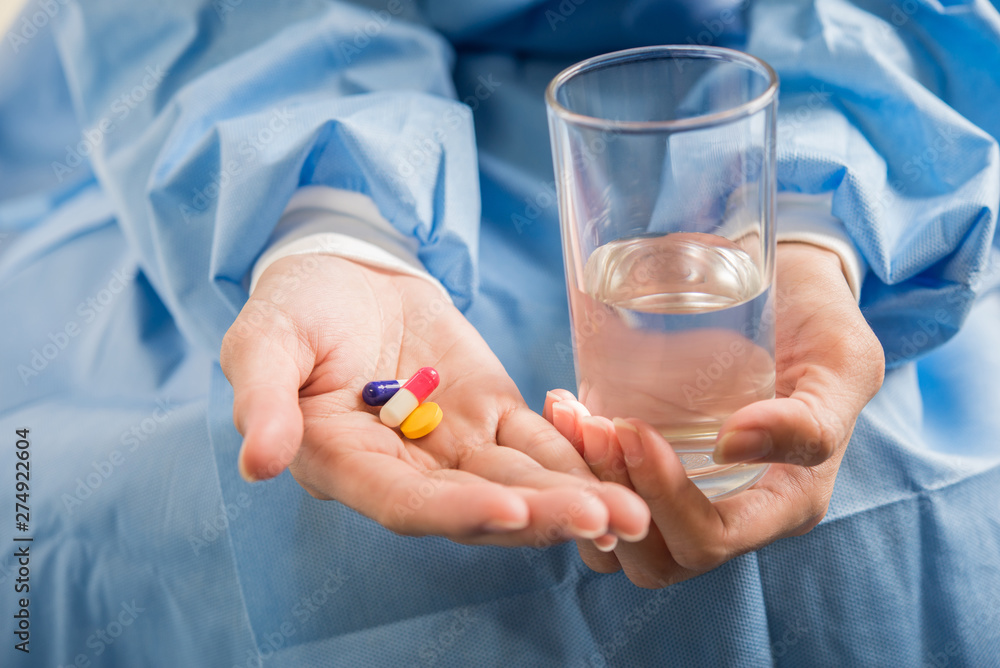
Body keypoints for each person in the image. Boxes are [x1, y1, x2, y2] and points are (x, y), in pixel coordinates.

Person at [1, 0, 998, 665]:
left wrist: (813, 220)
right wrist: (335, 223)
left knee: (866, 484)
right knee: (217, 502)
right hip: (259, 94)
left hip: (835, 116)